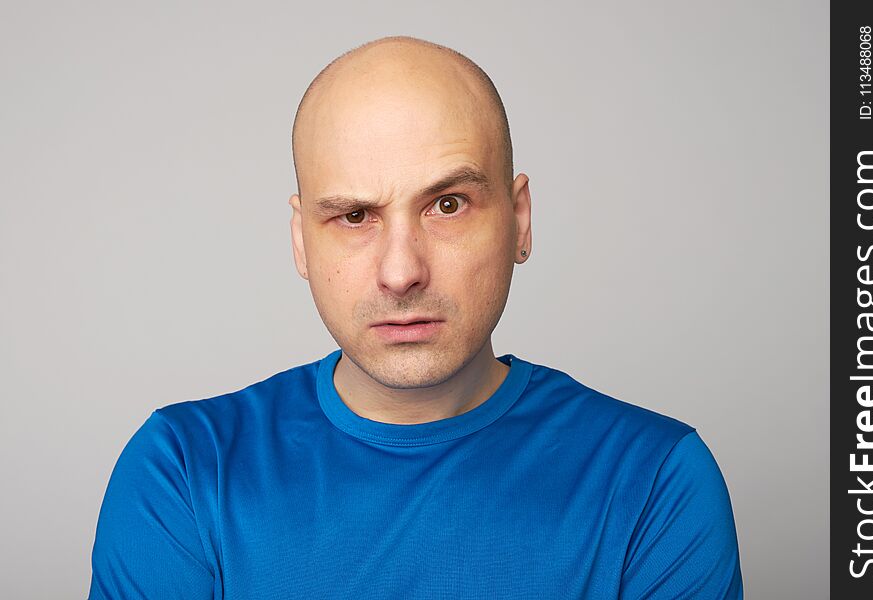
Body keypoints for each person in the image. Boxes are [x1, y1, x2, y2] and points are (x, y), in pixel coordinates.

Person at [88, 35, 743, 599]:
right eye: (353, 216)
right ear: (300, 242)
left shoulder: (655, 480)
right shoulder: (184, 470)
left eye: (448, 205)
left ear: (519, 219)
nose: (401, 271)